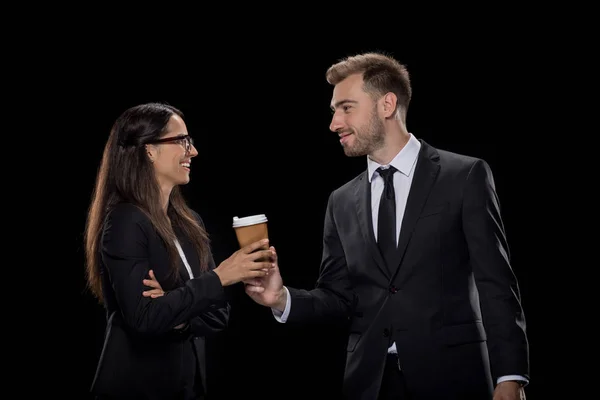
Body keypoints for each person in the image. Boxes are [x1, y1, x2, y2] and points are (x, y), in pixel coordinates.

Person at [244, 52, 530, 400]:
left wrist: (510, 376)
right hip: (370, 384)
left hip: (455, 378)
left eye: (346, 108)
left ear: (387, 104)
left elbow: (496, 283)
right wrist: (280, 298)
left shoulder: (465, 176)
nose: (334, 123)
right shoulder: (341, 201)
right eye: (334, 111)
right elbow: (338, 297)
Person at [84, 102, 275, 399]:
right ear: (149, 150)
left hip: (188, 389)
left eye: (191, 141)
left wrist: (176, 310)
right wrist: (219, 277)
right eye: (181, 141)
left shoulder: (189, 223)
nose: (193, 151)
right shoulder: (125, 220)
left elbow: (218, 315)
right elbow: (144, 319)